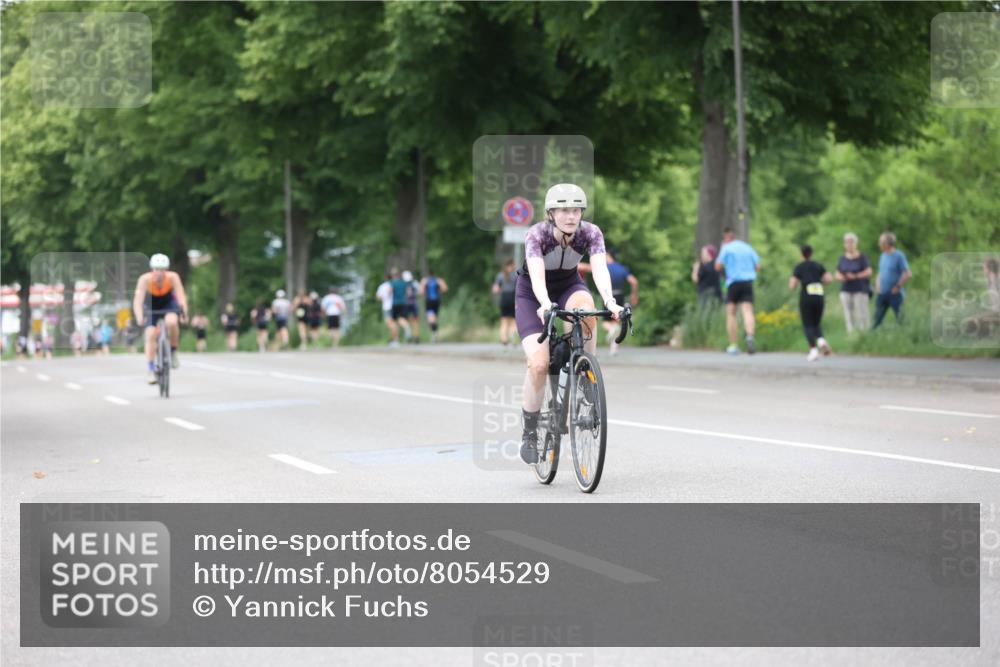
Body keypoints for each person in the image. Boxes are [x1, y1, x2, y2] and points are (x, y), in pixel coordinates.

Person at [516, 183, 623, 465]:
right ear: (551, 213)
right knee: (539, 365)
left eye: (576, 210)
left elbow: (599, 269)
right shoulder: (537, 234)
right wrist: (544, 303)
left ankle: (585, 371)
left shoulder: (591, 232)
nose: (571, 216)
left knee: (587, 311)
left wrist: (611, 302)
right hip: (532, 293)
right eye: (564, 210)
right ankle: (530, 432)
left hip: (569, 285)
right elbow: (537, 276)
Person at [132, 253, 188, 384]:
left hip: (168, 303)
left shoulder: (173, 277)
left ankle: (173, 351)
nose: (159, 272)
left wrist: (184, 314)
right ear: (152, 269)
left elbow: (181, 296)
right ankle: (151, 368)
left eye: (162, 269)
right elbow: (138, 301)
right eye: (157, 269)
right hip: (151, 305)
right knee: (150, 333)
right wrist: (139, 316)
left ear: (166, 270)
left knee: (172, 322)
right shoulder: (144, 279)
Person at [715, 228, 760, 354]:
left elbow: (717, 266)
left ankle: (733, 344)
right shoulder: (748, 247)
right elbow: (758, 266)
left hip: (733, 282)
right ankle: (750, 337)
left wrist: (728, 267)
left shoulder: (726, 248)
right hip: (747, 282)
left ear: (726, 238)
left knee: (731, 314)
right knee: (747, 311)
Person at [790, 245, 833, 361]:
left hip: (806, 297)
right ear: (811, 253)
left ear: (801, 254)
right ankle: (821, 341)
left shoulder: (799, 267)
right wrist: (819, 282)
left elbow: (792, 284)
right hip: (819, 296)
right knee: (816, 322)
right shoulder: (818, 265)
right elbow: (829, 279)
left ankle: (813, 350)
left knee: (808, 324)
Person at [872, 231, 912, 329]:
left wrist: (898, 287)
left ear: (889, 243)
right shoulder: (882, 256)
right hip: (882, 293)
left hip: (895, 294)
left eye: (882, 242)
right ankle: (872, 335)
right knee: (876, 320)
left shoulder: (899, 256)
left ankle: (905, 334)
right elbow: (880, 273)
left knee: (900, 318)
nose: (879, 244)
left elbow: (907, 273)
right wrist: (877, 285)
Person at [834, 232, 872, 334]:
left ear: (856, 243)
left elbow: (868, 271)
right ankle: (851, 334)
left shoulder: (862, 257)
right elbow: (837, 273)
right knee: (848, 313)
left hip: (860, 289)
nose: (849, 244)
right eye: (847, 242)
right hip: (846, 289)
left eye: (851, 242)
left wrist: (855, 276)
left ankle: (863, 334)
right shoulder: (842, 258)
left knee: (861, 313)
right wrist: (842, 277)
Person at [492, 259, 518, 347]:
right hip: (513, 299)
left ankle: (504, 339)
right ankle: (513, 339)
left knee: (504, 321)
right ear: (511, 265)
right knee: (513, 322)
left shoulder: (500, 275)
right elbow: (518, 289)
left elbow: (495, 289)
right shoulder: (515, 275)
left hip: (504, 299)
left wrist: (500, 290)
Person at [420, 269, 448, 343]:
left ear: (428, 274)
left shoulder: (424, 281)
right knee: (435, 317)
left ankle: (434, 332)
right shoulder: (439, 280)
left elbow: (421, 292)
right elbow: (445, 289)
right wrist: (439, 292)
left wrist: (425, 294)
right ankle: (435, 333)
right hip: (437, 301)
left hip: (429, 301)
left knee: (430, 319)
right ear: (434, 274)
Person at [388, 268, 412, 345]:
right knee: (401, 318)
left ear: (393, 275)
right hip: (403, 303)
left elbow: (389, 292)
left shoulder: (392, 283)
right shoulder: (403, 283)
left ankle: (396, 339)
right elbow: (409, 293)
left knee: (394, 321)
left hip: (395, 303)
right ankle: (406, 327)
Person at [374, 273, 397, 345]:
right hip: (395, 306)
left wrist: (384, 298)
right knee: (394, 322)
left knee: (389, 323)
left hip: (386, 306)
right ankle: (393, 339)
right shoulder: (393, 285)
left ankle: (395, 339)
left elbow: (378, 297)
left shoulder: (382, 286)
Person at [402, 270, 421, 343]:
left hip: (405, 304)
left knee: (406, 320)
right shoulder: (415, 283)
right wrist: (415, 295)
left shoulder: (403, 284)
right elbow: (420, 292)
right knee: (415, 320)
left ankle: (408, 334)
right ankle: (416, 336)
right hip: (414, 304)